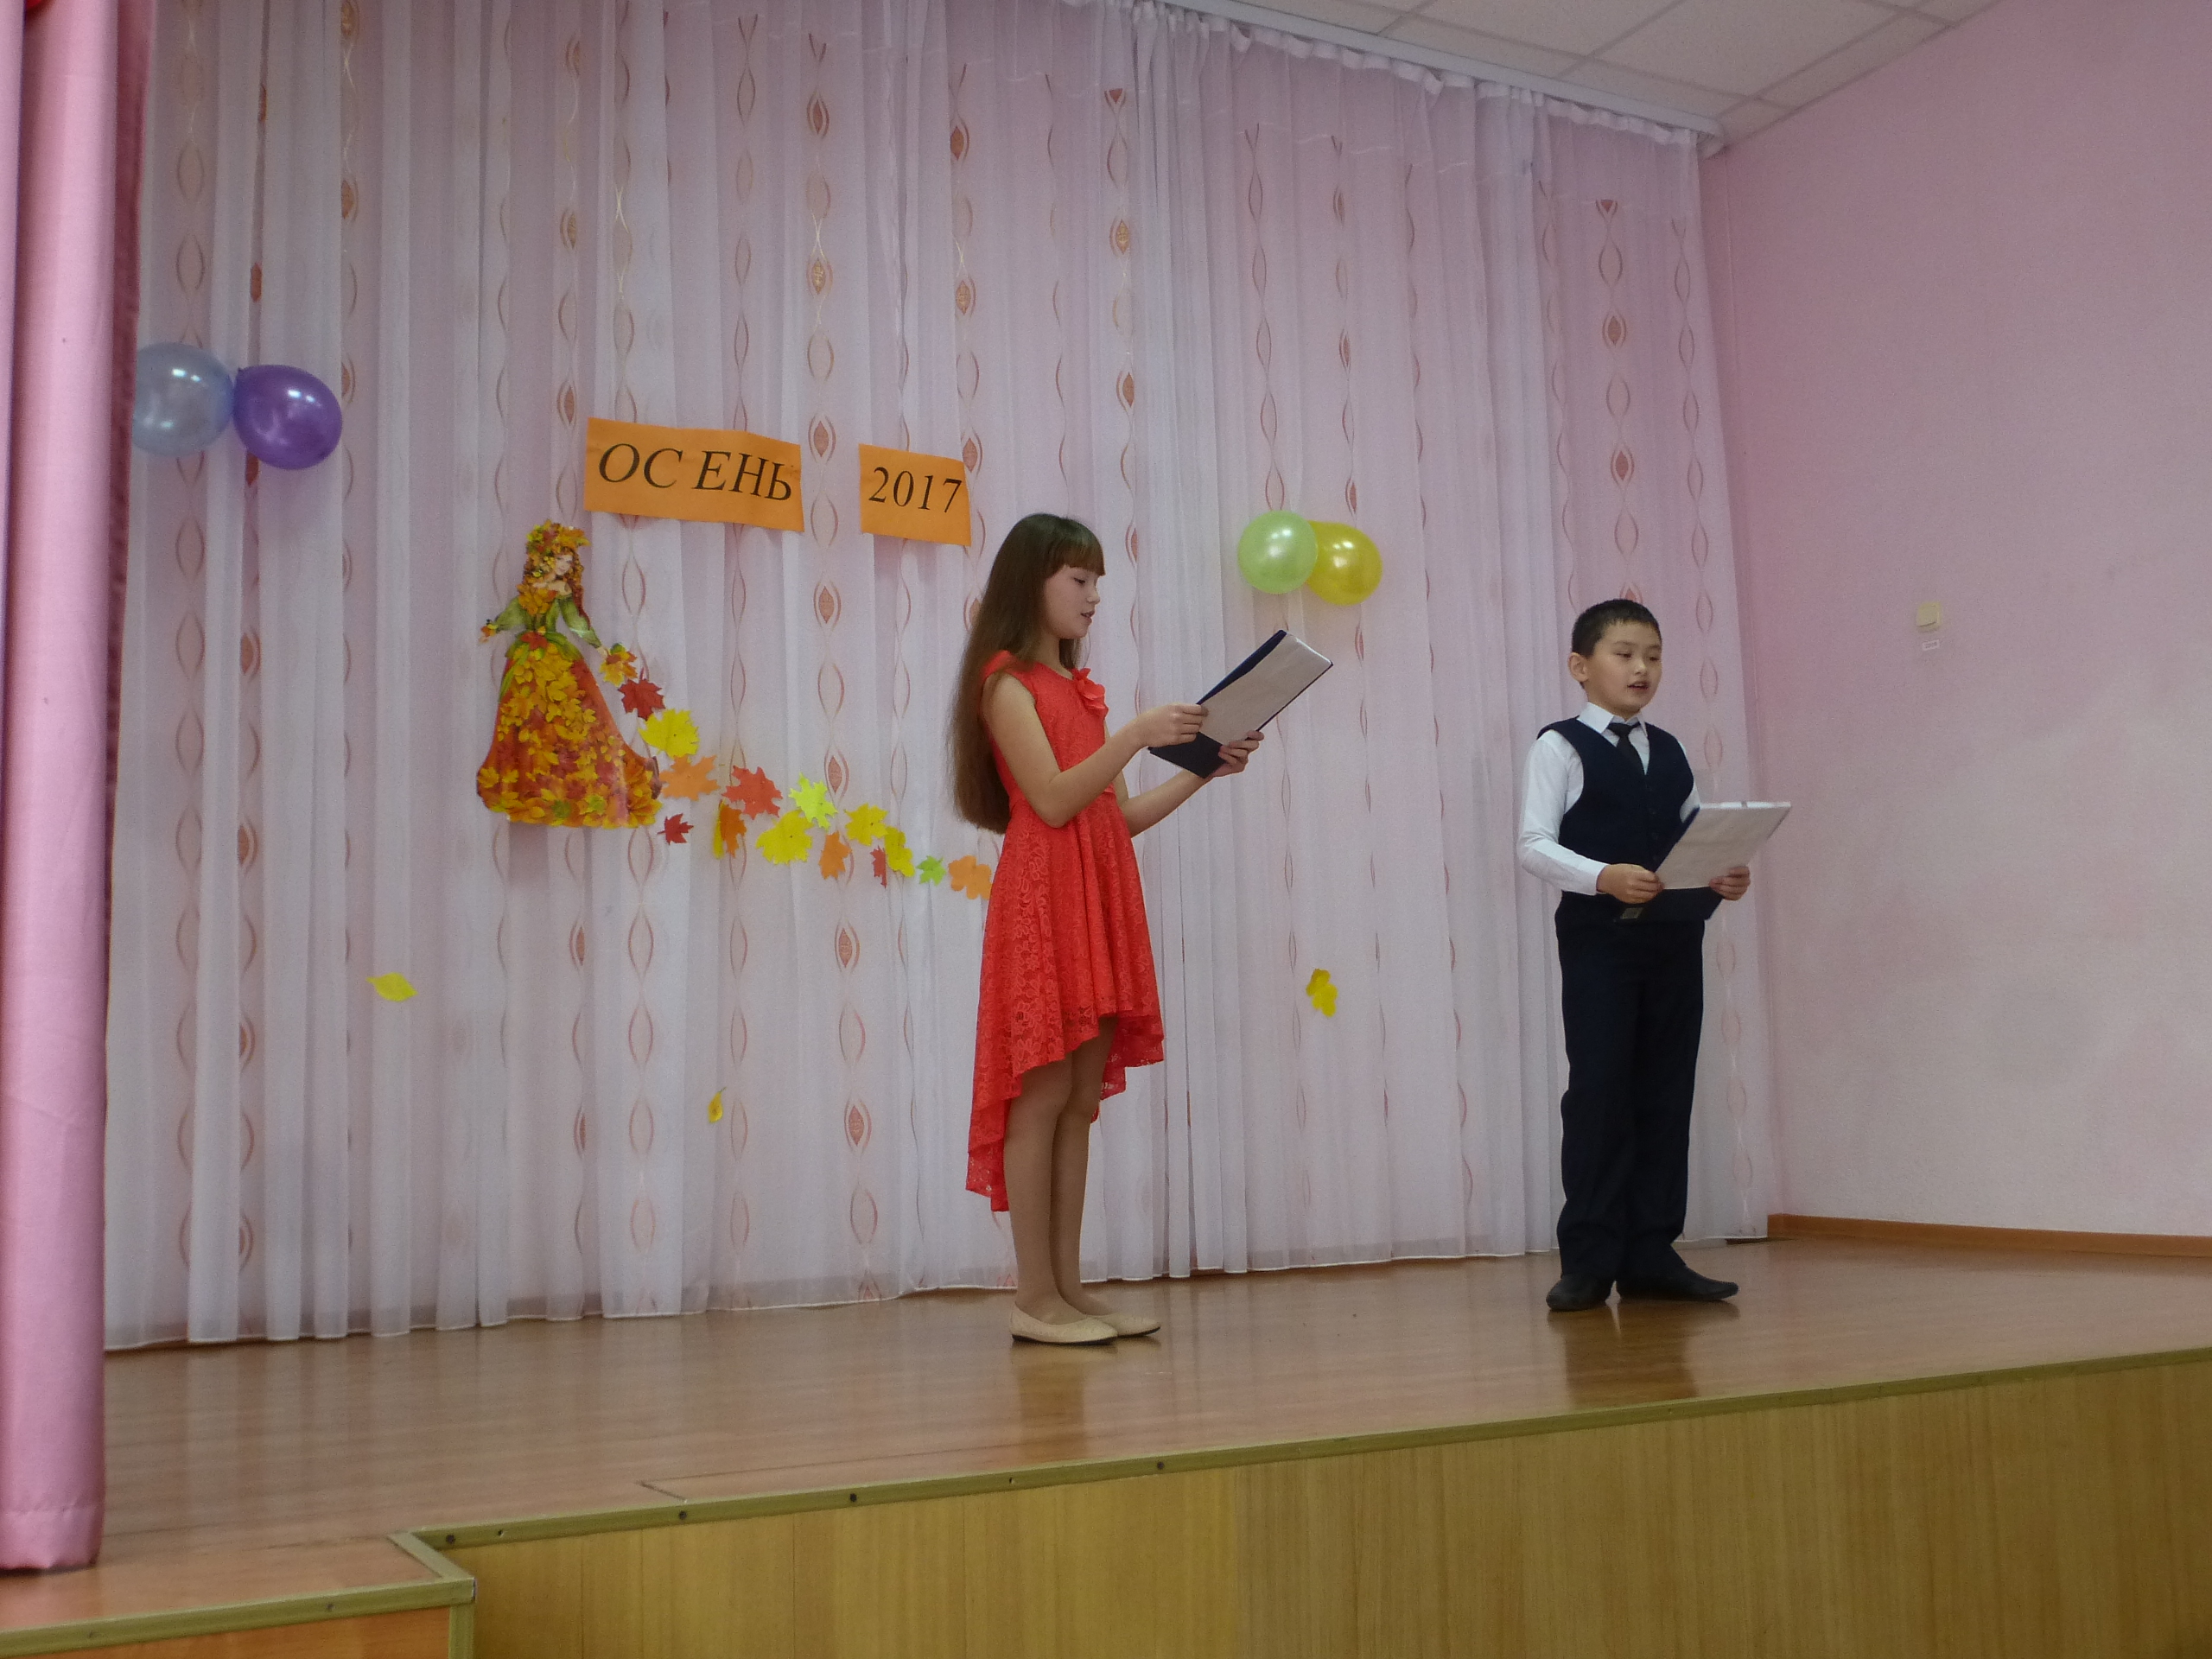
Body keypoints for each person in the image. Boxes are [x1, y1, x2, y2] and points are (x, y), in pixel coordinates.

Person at [950, 513, 1262, 1344]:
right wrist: (1132, 737)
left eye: (1096, 583)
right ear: (1033, 582)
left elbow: (1115, 819)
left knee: (1079, 1100)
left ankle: (1066, 1289)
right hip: (1044, 897)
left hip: (1092, 890)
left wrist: (1204, 772)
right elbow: (1053, 802)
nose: (1093, 598)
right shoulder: (1007, 683)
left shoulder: (1077, 690)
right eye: (1079, 580)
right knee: (1042, 1094)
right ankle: (1034, 1297)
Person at [1517, 599, 1751, 1313]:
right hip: (1601, 945)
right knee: (1600, 1095)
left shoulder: (1670, 749)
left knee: (1665, 1092)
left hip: (1674, 941)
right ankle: (1589, 1260)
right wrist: (1602, 876)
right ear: (1580, 667)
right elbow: (1533, 844)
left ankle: (1651, 1253)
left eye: (1652, 655)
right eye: (1624, 654)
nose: (1641, 667)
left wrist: (1722, 874)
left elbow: (1692, 837)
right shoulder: (1559, 747)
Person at [477, 520, 660, 828]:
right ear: (544, 558)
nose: (565, 566)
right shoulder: (529, 588)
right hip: (526, 660)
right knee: (526, 722)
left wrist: (599, 647)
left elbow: (575, 622)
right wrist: (494, 627)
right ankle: (532, 787)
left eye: (568, 561)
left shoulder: (561, 590)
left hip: (553, 657)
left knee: (575, 720)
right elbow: (515, 612)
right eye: (560, 559)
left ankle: (619, 773)